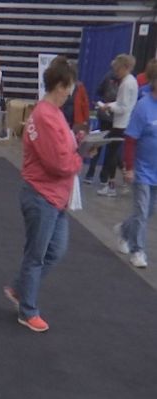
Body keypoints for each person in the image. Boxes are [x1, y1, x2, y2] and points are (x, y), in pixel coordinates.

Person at [4, 58, 83, 333]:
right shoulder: (46, 115)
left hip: (52, 196)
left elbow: (62, 154)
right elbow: (59, 164)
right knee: (37, 254)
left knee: (53, 251)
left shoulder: (50, 113)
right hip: (43, 194)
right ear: (60, 85)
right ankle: (27, 309)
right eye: (69, 87)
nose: (70, 92)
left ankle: (20, 289)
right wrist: (79, 158)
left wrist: (76, 150)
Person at [114, 58, 157, 269]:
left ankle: (124, 230)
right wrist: (129, 167)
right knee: (141, 211)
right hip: (142, 169)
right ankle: (137, 250)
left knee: (148, 211)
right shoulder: (143, 107)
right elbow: (131, 139)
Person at [96, 54, 137, 198]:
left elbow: (123, 107)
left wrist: (108, 107)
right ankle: (118, 177)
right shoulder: (131, 81)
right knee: (114, 153)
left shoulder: (126, 84)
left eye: (118, 70)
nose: (116, 73)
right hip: (123, 122)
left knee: (112, 154)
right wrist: (111, 106)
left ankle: (111, 185)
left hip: (120, 123)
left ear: (125, 68)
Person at [83, 68, 120, 184]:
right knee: (111, 148)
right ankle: (104, 177)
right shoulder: (125, 81)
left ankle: (90, 173)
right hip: (116, 118)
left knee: (98, 143)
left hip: (104, 115)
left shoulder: (107, 75)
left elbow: (98, 91)